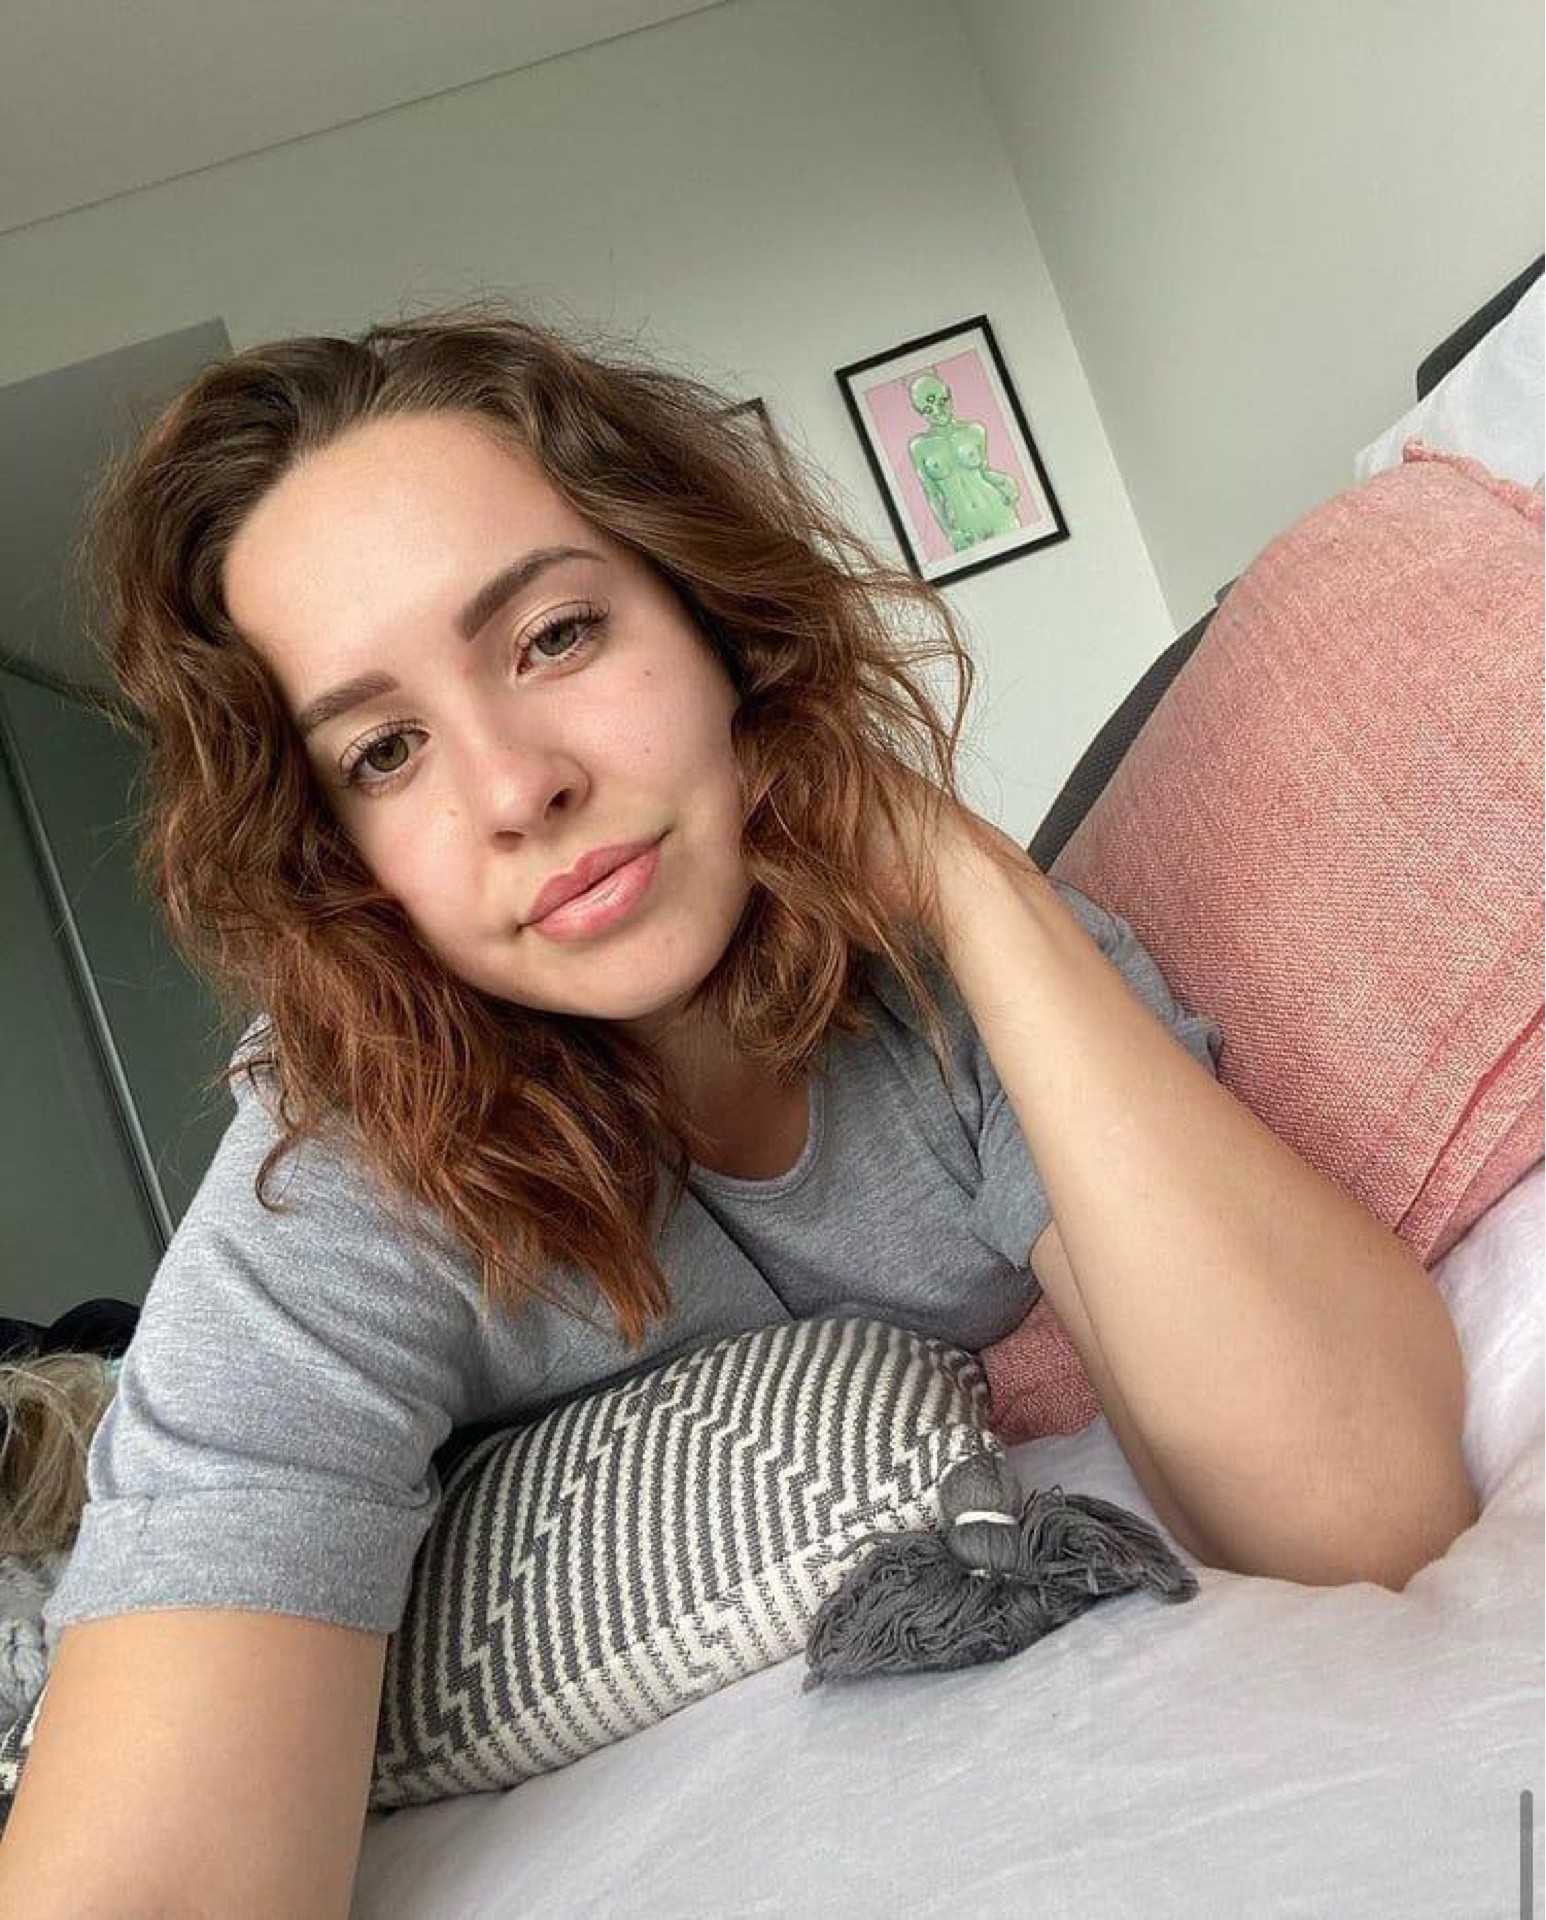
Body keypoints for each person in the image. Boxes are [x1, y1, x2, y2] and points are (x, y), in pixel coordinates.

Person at [0, 303, 1475, 1916]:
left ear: (709, 616)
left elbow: (1359, 1511)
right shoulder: (339, 1178)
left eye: (554, 636)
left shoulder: (955, 980)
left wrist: (960, 876)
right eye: (385, 750)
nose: (515, 786)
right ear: (335, 853)